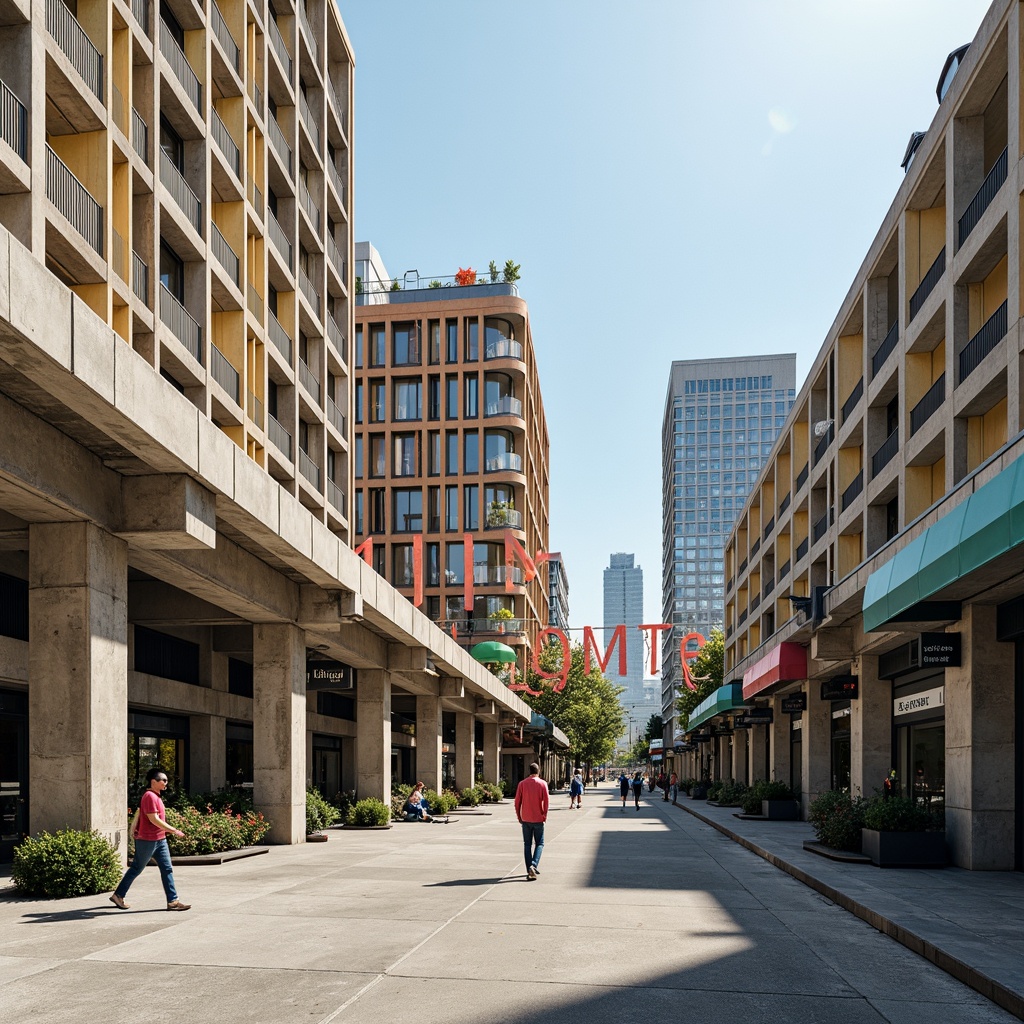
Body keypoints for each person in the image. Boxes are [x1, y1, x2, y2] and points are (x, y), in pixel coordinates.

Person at [110, 767, 190, 912]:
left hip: (160, 840)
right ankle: (118, 895)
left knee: (167, 869)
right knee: (136, 868)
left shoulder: (156, 796)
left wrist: (166, 832)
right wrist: (173, 830)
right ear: (154, 781)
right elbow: (153, 819)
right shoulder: (149, 796)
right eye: (163, 780)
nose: (166, 783)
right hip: (147, 840)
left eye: (166, 780)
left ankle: (173, 901)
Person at [514, 762, 549, 880]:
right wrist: (544, 815)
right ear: (538, 771)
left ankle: (529, 868)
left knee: (527, 844)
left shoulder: (522, 784)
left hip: (526, 818)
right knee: (540, 843)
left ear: (529, 771)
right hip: (538, 818)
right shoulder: (543, 784)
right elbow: (547, 801)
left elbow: (517, 802)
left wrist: (519, 816)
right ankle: (533, 865)